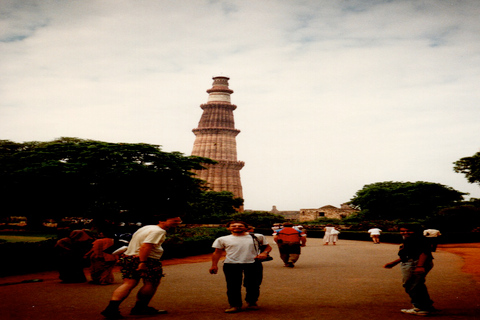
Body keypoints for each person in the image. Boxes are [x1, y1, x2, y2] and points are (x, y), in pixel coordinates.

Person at [101, 214, 183, 319]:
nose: (177, 224)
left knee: (128, 283)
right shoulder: (159, 231)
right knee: (151, 283)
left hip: (129, 257)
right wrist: (142, 262)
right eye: (174, 221)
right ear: (162, 221)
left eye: (179, 222)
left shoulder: (146, 227)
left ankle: (111, 308)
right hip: (147, 259)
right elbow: (146, 245)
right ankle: (140, 307)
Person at [209, 221, 272, 313]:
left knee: (253, 284)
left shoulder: (257, 237)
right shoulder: (222, 239)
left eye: (240, 226)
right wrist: (214, 265)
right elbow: (217, 252)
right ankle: (235, 305)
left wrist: (264, 253)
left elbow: (268, 247)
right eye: (233, 226)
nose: (237, 227)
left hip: (253, 263)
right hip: (231, 264)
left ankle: (252, 302)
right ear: (228, 228)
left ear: (246, 228)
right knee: (232, 285)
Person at [384, 225, 436, 316]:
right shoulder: (410, 239)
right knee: (417, 284)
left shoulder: (419, 239)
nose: (405, 233)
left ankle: (420, 308)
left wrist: (420, 266)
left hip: (415, 263)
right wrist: (394, 263)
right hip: (413, 262)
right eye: (402, 231)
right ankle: (426, 306)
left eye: (408, 231)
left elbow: (424, 252)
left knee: (411, 285)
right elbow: (409, 254)